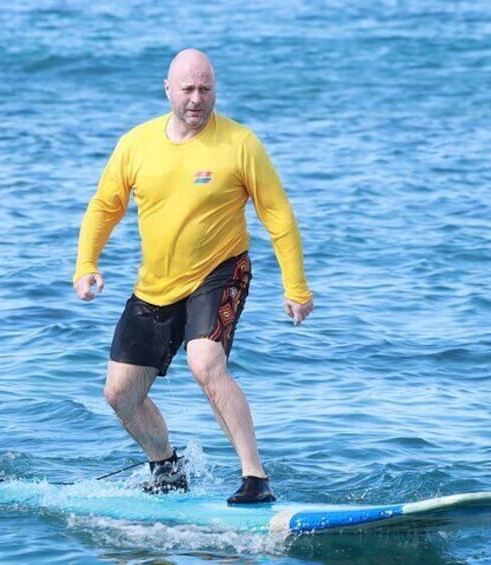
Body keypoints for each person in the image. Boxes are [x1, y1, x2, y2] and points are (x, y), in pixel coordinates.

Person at [73, 48, 314, 504]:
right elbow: (106, 207)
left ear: (215, 90)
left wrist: (296, 286)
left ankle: (255, 479)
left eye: (206, 89)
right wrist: (87, 265)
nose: (197, 99)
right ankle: (165, 467)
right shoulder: (136, 144)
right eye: (188, 89)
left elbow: (277, 214)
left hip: (221, 271)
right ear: (168, 89)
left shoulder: (240, 143)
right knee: (119, 394)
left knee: (205, 362)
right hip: (156, 286)